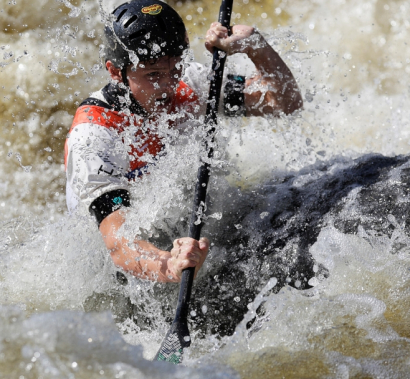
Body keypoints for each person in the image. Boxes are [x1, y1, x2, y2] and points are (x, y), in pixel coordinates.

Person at [65, 0, 302, 284]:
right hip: (121, 274)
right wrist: (169, 266)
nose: (168, 85)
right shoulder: (94, 136)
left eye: (174, 68)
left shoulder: (190, 84)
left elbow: (285, 102)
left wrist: (255, 46)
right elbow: (119, 245)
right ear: (116, 72)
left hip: (186, 242)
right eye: (153, 75)